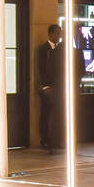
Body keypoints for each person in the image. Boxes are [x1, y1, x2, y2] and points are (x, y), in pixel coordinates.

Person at [36, 23, 84, 155]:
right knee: (51, 115)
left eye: (61, 33)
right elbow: (42, 70)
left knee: (58, 115)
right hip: (56, 88)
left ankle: (56, 142)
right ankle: (51, 141)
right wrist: (47, 86)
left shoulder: (62, 51)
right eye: (57, 33)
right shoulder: (46, 50)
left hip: (61, 88)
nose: (59, 35)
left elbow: (79, 69)